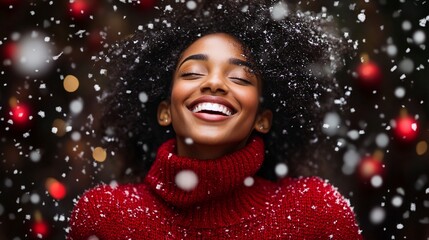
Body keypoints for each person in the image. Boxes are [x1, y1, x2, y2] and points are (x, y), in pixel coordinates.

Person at [68, 0, 362, 239]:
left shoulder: (316, 212)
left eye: (239, 77)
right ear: (164, 111)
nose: (214, 84)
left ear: (262, 119)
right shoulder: (104, 216)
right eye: (193, 73)